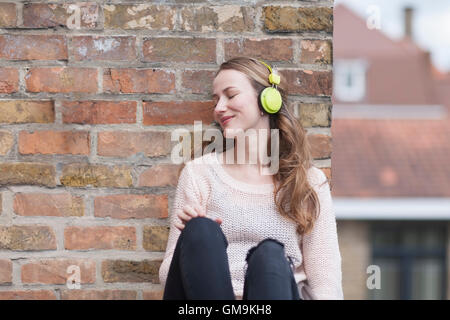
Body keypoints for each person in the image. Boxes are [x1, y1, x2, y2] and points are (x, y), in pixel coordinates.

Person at [159, 57, 343, 300]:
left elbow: (326, 285)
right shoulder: (199, 173)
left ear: (267, 100)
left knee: (270, 255)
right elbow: (166, 276)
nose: (219, 108)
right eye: (216, 100)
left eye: (230, 95)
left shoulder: (308, 181)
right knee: (202, 230)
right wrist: (189, 240)